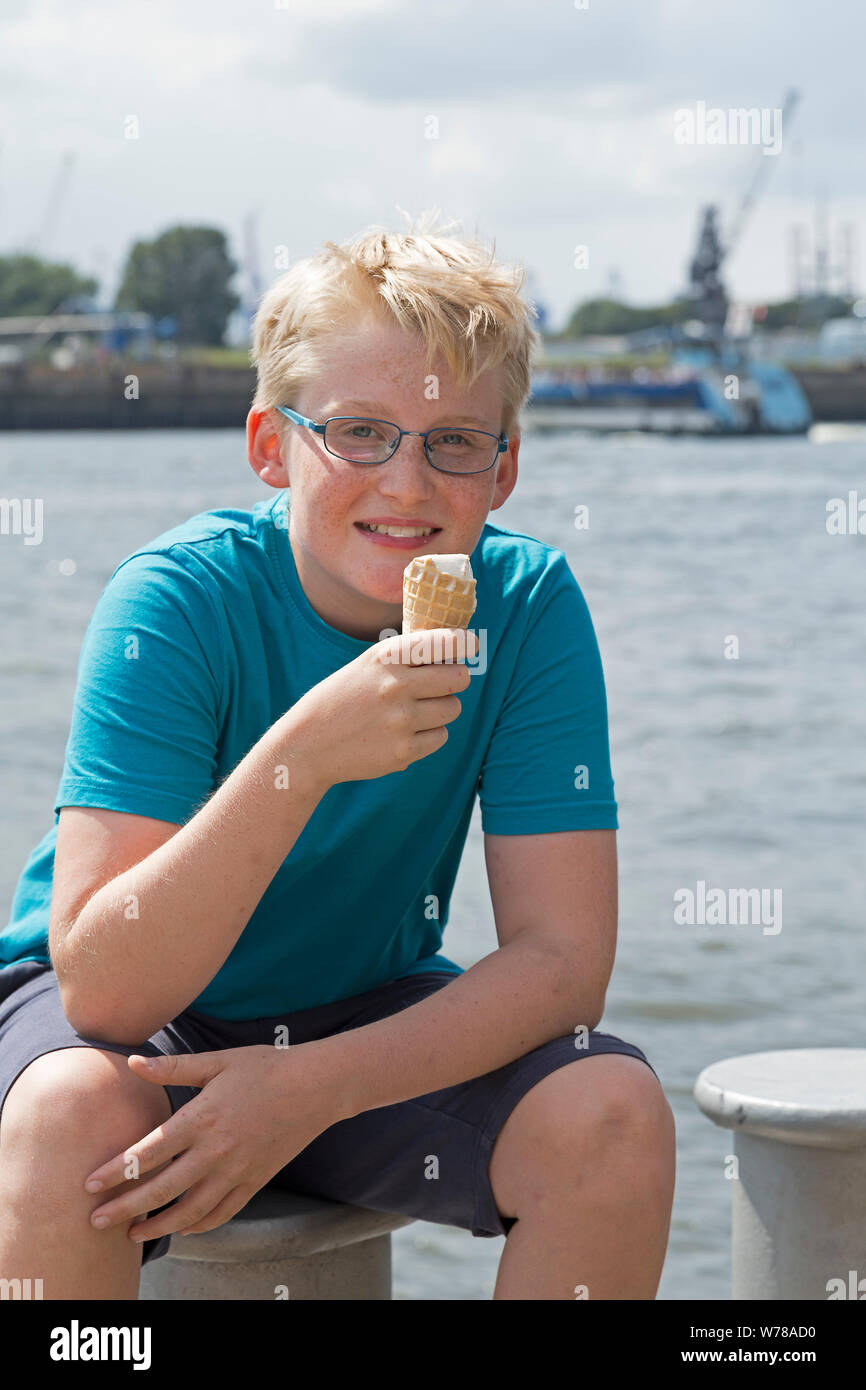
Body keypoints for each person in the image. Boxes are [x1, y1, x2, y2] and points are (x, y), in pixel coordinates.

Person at [0, 213, 675, 1300]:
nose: (406, 486)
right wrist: (301, 755)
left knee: (609, 1114)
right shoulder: (175, 599)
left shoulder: (527, 604)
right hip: (128, 1013)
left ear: (502, 470)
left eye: (454, 441)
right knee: (74, 1115)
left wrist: (306, 1086)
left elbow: (561, 963)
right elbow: (105, 990)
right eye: (357, 432)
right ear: (272, 446)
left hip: (362, 1006)